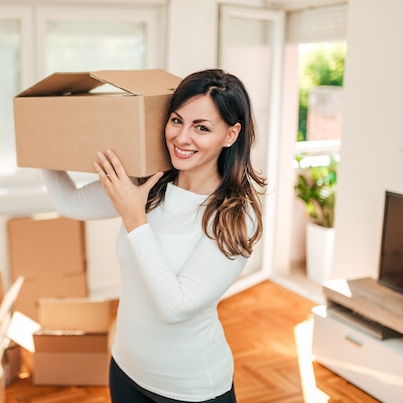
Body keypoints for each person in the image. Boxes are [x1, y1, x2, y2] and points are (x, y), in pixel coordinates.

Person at [41, 69, 266, 403]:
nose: (182, 137)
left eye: (201, 127)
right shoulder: (149, 183)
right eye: (176, 120)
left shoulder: (234, 215)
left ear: (231, 135)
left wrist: (135, 216)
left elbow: (174, 308)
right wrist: (44, 142)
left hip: (191, 389)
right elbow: (69, 202)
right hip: (125, 370)